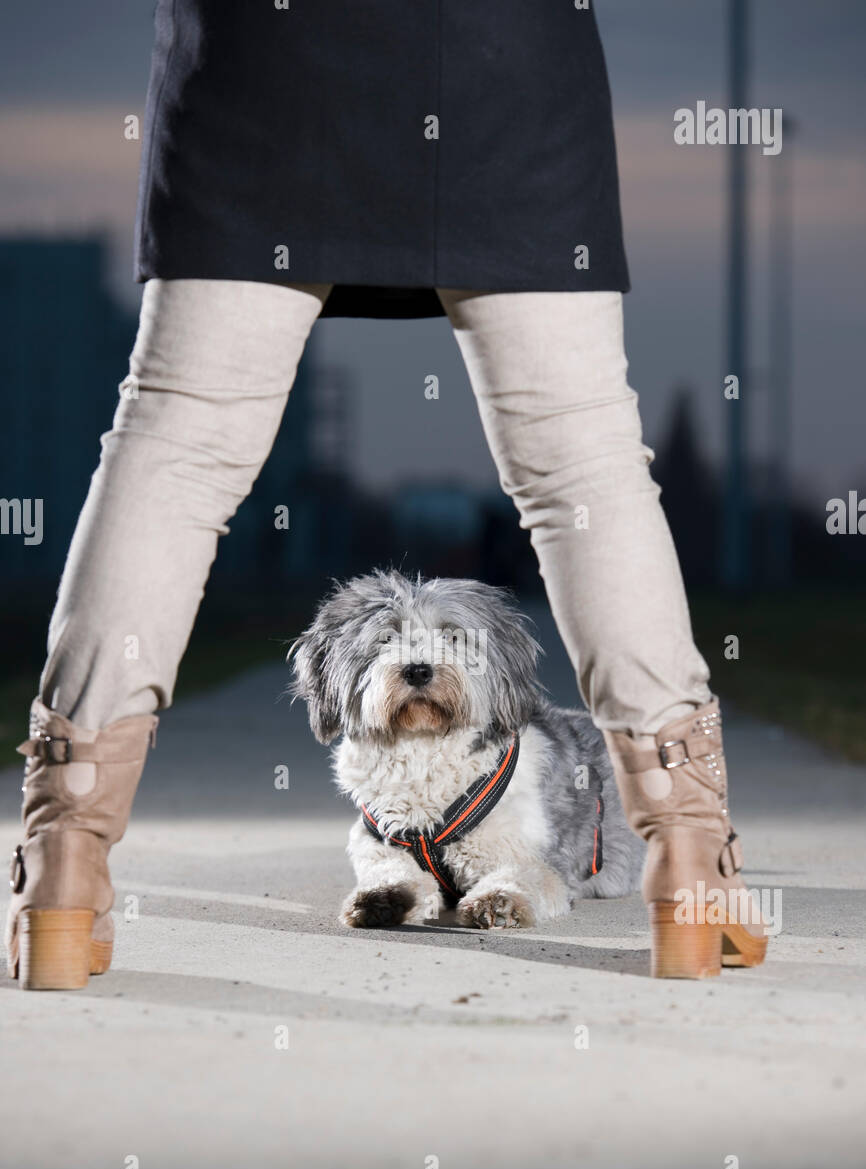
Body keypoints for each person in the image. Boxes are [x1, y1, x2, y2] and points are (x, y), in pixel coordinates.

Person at [6, 1, 766, 988]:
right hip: (505, 53)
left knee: (174, 444)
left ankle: (63, 863)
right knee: (580, 462)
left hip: (267, 57)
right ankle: (689, 861)